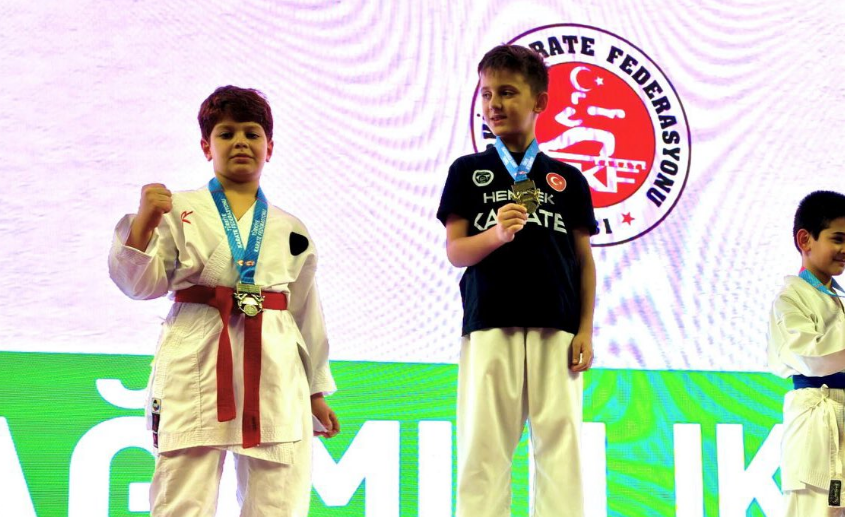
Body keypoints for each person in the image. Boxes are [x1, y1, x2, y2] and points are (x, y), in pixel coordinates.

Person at [108, 85, 339, 516]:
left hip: (274, 363)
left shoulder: (292, 228)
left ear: (270, 148)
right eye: (226, 133)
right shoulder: (176, 209)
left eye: (252, 134)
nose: (240, 143)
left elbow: (306, 312)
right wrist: (143, 225)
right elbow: (140, 284)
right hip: (197, 354)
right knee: (182, 498)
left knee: (278, 499)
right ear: (206, 146)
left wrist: (315, 392)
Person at [436, 44, 598, 517]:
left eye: (507, 93)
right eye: (487, 94)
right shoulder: (467, 171)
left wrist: (586, 329)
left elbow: (584, 261)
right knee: (483, 447)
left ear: (539, 101)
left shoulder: (567, 179)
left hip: (558, 327)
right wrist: (496, 235)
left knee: (561, 448)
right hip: (491, 322)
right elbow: (455, 251)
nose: (494, 105)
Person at [769, 190, 845, 516]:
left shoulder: (837, 298)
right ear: (805, 240)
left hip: (838, 416)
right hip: (818, 419)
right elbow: (810, 354)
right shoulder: (790, 298)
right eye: (838, 239)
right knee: (817, 510)